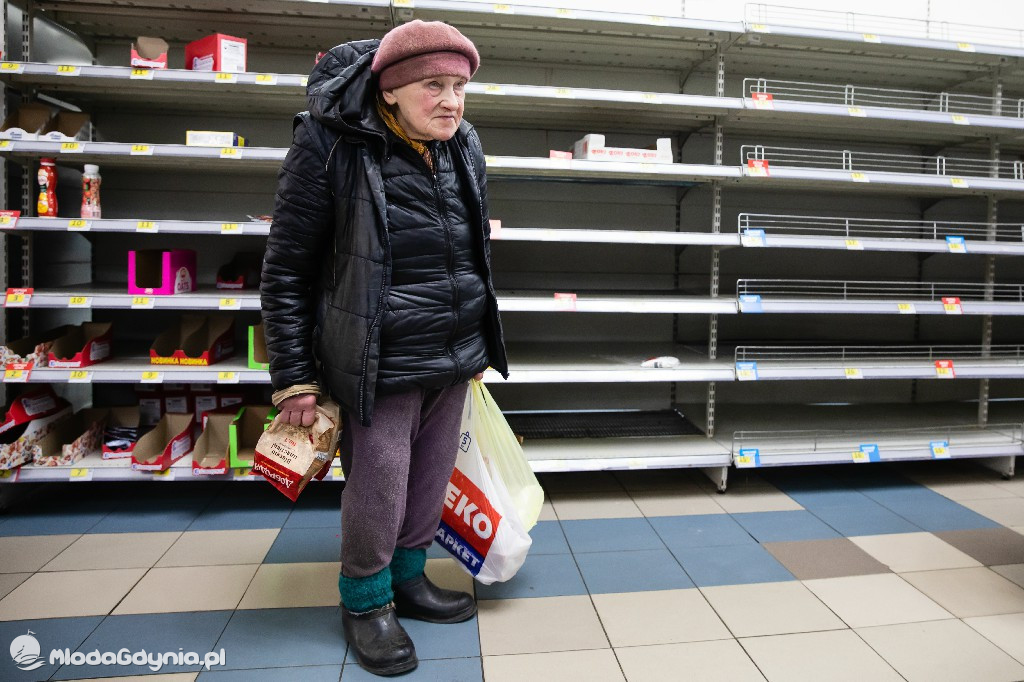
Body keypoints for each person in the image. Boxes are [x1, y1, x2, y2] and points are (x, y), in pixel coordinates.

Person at [260, 20, 509, 677]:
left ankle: (409, 580)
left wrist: (479, 336)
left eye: (460, 86)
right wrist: (294, 376)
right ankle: (366, 602)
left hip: (452, 353)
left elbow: (467, 249)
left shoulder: (464, 144)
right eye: (435, 85)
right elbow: (286, 268)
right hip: (376, 359)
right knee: (378, 488)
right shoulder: (331, 142)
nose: (452, 100)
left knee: (429, 483)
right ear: (392, 90)